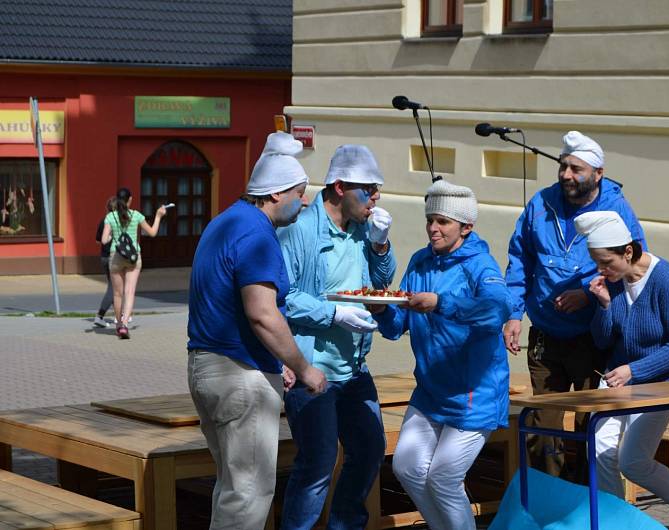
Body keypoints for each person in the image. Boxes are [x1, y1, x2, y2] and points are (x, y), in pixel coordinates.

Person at [187, 131, 328, 530]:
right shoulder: (258, 234)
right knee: (248, 496)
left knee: (232, 489)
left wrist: (274, 360)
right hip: (239, 377)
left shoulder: (224, 221)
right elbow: (263, 315)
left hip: (208, 368)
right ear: (276, 193)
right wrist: (304, 368)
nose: (305, 201)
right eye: (300, 192)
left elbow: (226, 306)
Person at [369, 180, 513, 530]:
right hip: (431, 390)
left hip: (474, 393)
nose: (433, 228)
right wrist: (379, 309)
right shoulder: (420, 262)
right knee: (406, 467)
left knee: (445, 478)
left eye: (443, 222)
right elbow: (396, 325)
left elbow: (497, 310)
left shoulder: (481, 265)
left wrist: (441, 304)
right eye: (430, 219)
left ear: (466, 227)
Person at [503, 130, 647, 480]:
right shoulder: (541, 204)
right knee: (542, 428)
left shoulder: (616, 208)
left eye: (576, 169)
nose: (566, 175)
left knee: (590, 425)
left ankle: (585, 503)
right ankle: (548, 501)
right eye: (563, 166)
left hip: (592, 339)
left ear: (598, 173)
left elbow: (634, 263)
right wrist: (513, 314)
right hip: (546, 335)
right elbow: (519, 260)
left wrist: (587, 293)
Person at [278, 144, 396, 530]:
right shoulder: (300, 230)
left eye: (377, 189)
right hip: (311, 368)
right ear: (341, 187)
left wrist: (381, 245)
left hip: (354, 367)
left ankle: (346, 524)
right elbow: (283, 296)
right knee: (318, 462)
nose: (375, 198)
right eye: (369, 189)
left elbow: (380, 287)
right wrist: (333, 313)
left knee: (369, 449)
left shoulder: (363, 231)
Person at [574, 211, 669, 530]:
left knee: (632, 461)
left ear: (628, 251)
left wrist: (634, 370)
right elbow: (604, 340)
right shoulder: (614, 283)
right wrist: (604, 305)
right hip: (619, 380)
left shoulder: (667, 279)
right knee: (599, 448)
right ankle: (616, 520)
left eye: (606, 262)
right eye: (597, 262)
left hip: (661, 384)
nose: (601, 270)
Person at [100, 187, 166, 339]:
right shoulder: (136, 215)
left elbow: (104, 240)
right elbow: (152, 233)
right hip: (133, 257)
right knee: (129, 292)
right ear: (130, 200)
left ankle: (118, 325)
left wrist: (112, 238)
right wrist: (158, 216)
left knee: (117, 293)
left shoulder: (110, 217)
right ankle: (124, 325)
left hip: (116, 256)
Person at [93, 196, 116, 328]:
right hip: (113, 257)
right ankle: (100, 315)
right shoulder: (117, 221)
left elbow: (98, 240)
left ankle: (120, 314)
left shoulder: (103, 221)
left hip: (104, 257)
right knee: (113, 288)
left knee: (114, 287)